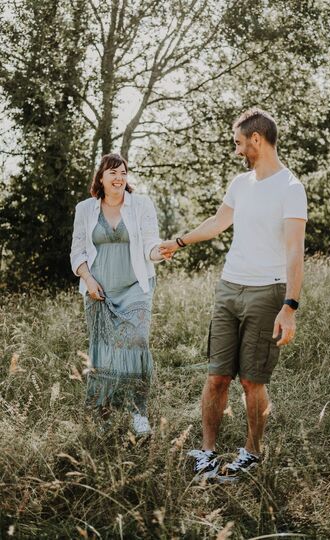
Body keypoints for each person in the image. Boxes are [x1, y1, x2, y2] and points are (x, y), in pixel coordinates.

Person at [160, 108, 307, 482]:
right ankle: (207, 452)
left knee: (252, 381)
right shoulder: (240, 184)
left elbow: (294, 250)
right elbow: (217, 223)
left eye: (239, 143)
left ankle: (252, 453)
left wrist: (289, 306)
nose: (236, 150)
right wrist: (178, 242)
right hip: (228, 287)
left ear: (256, 140)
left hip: (266, 291)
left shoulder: (291, 188)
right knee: (217, 377)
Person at [70, 153, 165, 435]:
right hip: (99, 289)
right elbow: (77, 251)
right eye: (112, 172)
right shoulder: (85, 209)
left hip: (136, 286)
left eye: (123, 172)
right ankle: (104, 414)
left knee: (136, 343)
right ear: (101, 177)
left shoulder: (141, 205)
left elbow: (150, 242)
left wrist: (159, 251)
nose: (119, 177)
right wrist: (87, 279)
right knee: (104, 352)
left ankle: (139, 413)